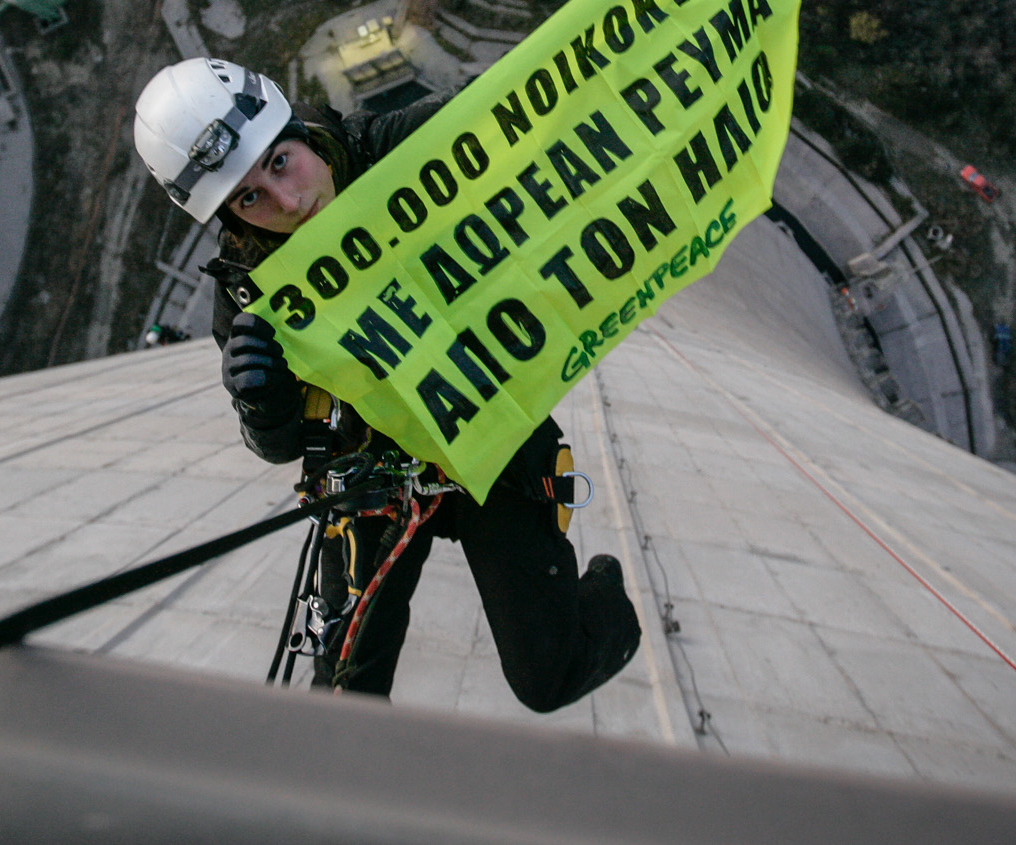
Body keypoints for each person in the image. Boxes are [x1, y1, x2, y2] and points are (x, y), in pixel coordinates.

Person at [132, 57, 641, 709]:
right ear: (229, 215)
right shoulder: (249, 292)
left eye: (280, 163)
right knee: (346, 692)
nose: (288, 203)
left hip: (484, 434)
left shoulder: (397, 150)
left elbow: (523, 106)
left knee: (551, 675)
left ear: (299, 133)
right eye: (250, 196)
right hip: (374, 469)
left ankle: (604, 595)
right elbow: (281, 442)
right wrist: (261, 399)